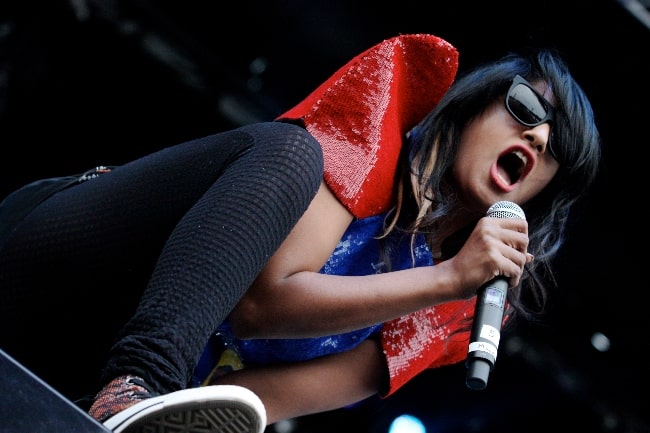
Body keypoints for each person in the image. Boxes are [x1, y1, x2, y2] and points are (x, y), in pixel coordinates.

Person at [0, 33, 600, 433]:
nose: (540, 138)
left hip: (84, 377)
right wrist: (443, 278)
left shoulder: (461, 311)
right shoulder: (384, 120)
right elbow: (262, 305)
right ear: (476, 108)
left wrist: (448, 288)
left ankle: (131, 394)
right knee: (289, 154)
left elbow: (250, 402)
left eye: (559, 150)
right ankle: (138, 379)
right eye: (524, 107)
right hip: (73, 266)